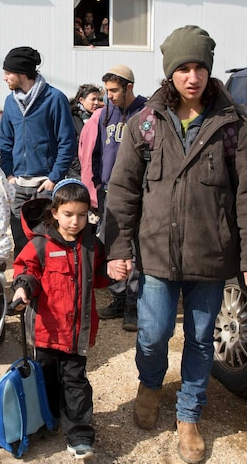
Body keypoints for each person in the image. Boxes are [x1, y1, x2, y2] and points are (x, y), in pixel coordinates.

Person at [104, 26, 247, 463]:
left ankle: (189, 413)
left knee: (200, 338)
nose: (192, 76)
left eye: (199, 67)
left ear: (209, 71)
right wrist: (119, 249)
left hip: (211, 256)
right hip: (157, 253)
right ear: (170, 73)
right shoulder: (145, 123)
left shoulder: (232, 126)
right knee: (153, 332)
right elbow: (122, 190)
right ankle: (151, 383)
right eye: (183, 68)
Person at [11, 179, 122, 461]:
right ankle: (48, 418)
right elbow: (27, 270)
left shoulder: (91, 246)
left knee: (75, 381)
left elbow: (97, 277)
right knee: (46, 378)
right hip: (46, 331)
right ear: (55, 212)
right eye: (69, 214)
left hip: (76, 334)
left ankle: (80, 433)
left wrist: (111, 273)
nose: (75, 221)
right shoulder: (40, 244)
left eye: (82, 215)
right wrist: (23, 288)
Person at [79, 65, 147, 331]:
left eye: (114, 91)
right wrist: (96, 184)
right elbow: (95, 152)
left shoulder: (146, 112)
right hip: (109, 191)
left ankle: (134, 304)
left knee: (136, 249)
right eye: (106, 91)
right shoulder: (105, 113)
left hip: (138, 192)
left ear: (129, 87)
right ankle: (118, 298)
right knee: (113, 245)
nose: (109, 96)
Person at [0, 46, 76, 256]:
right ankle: (24, 282)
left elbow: (67, 141)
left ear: (22, 73)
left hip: (45, 184)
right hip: (18, 185)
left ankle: (47, 284)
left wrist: (54, 177)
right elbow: (5, 141)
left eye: (8, 73)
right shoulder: (10, 102)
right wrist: (9, 175)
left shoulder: (54, 98)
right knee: (21, 240)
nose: (5, 78)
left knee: (48, 241)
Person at [66, 84, 103, 179]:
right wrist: (80, 168)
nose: (96, 103)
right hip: (77, 172)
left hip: (94, 170)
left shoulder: (98, 118)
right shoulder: (71, 119)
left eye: (98, 99)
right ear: (81, 100)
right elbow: (69, 147)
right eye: (93, 99)